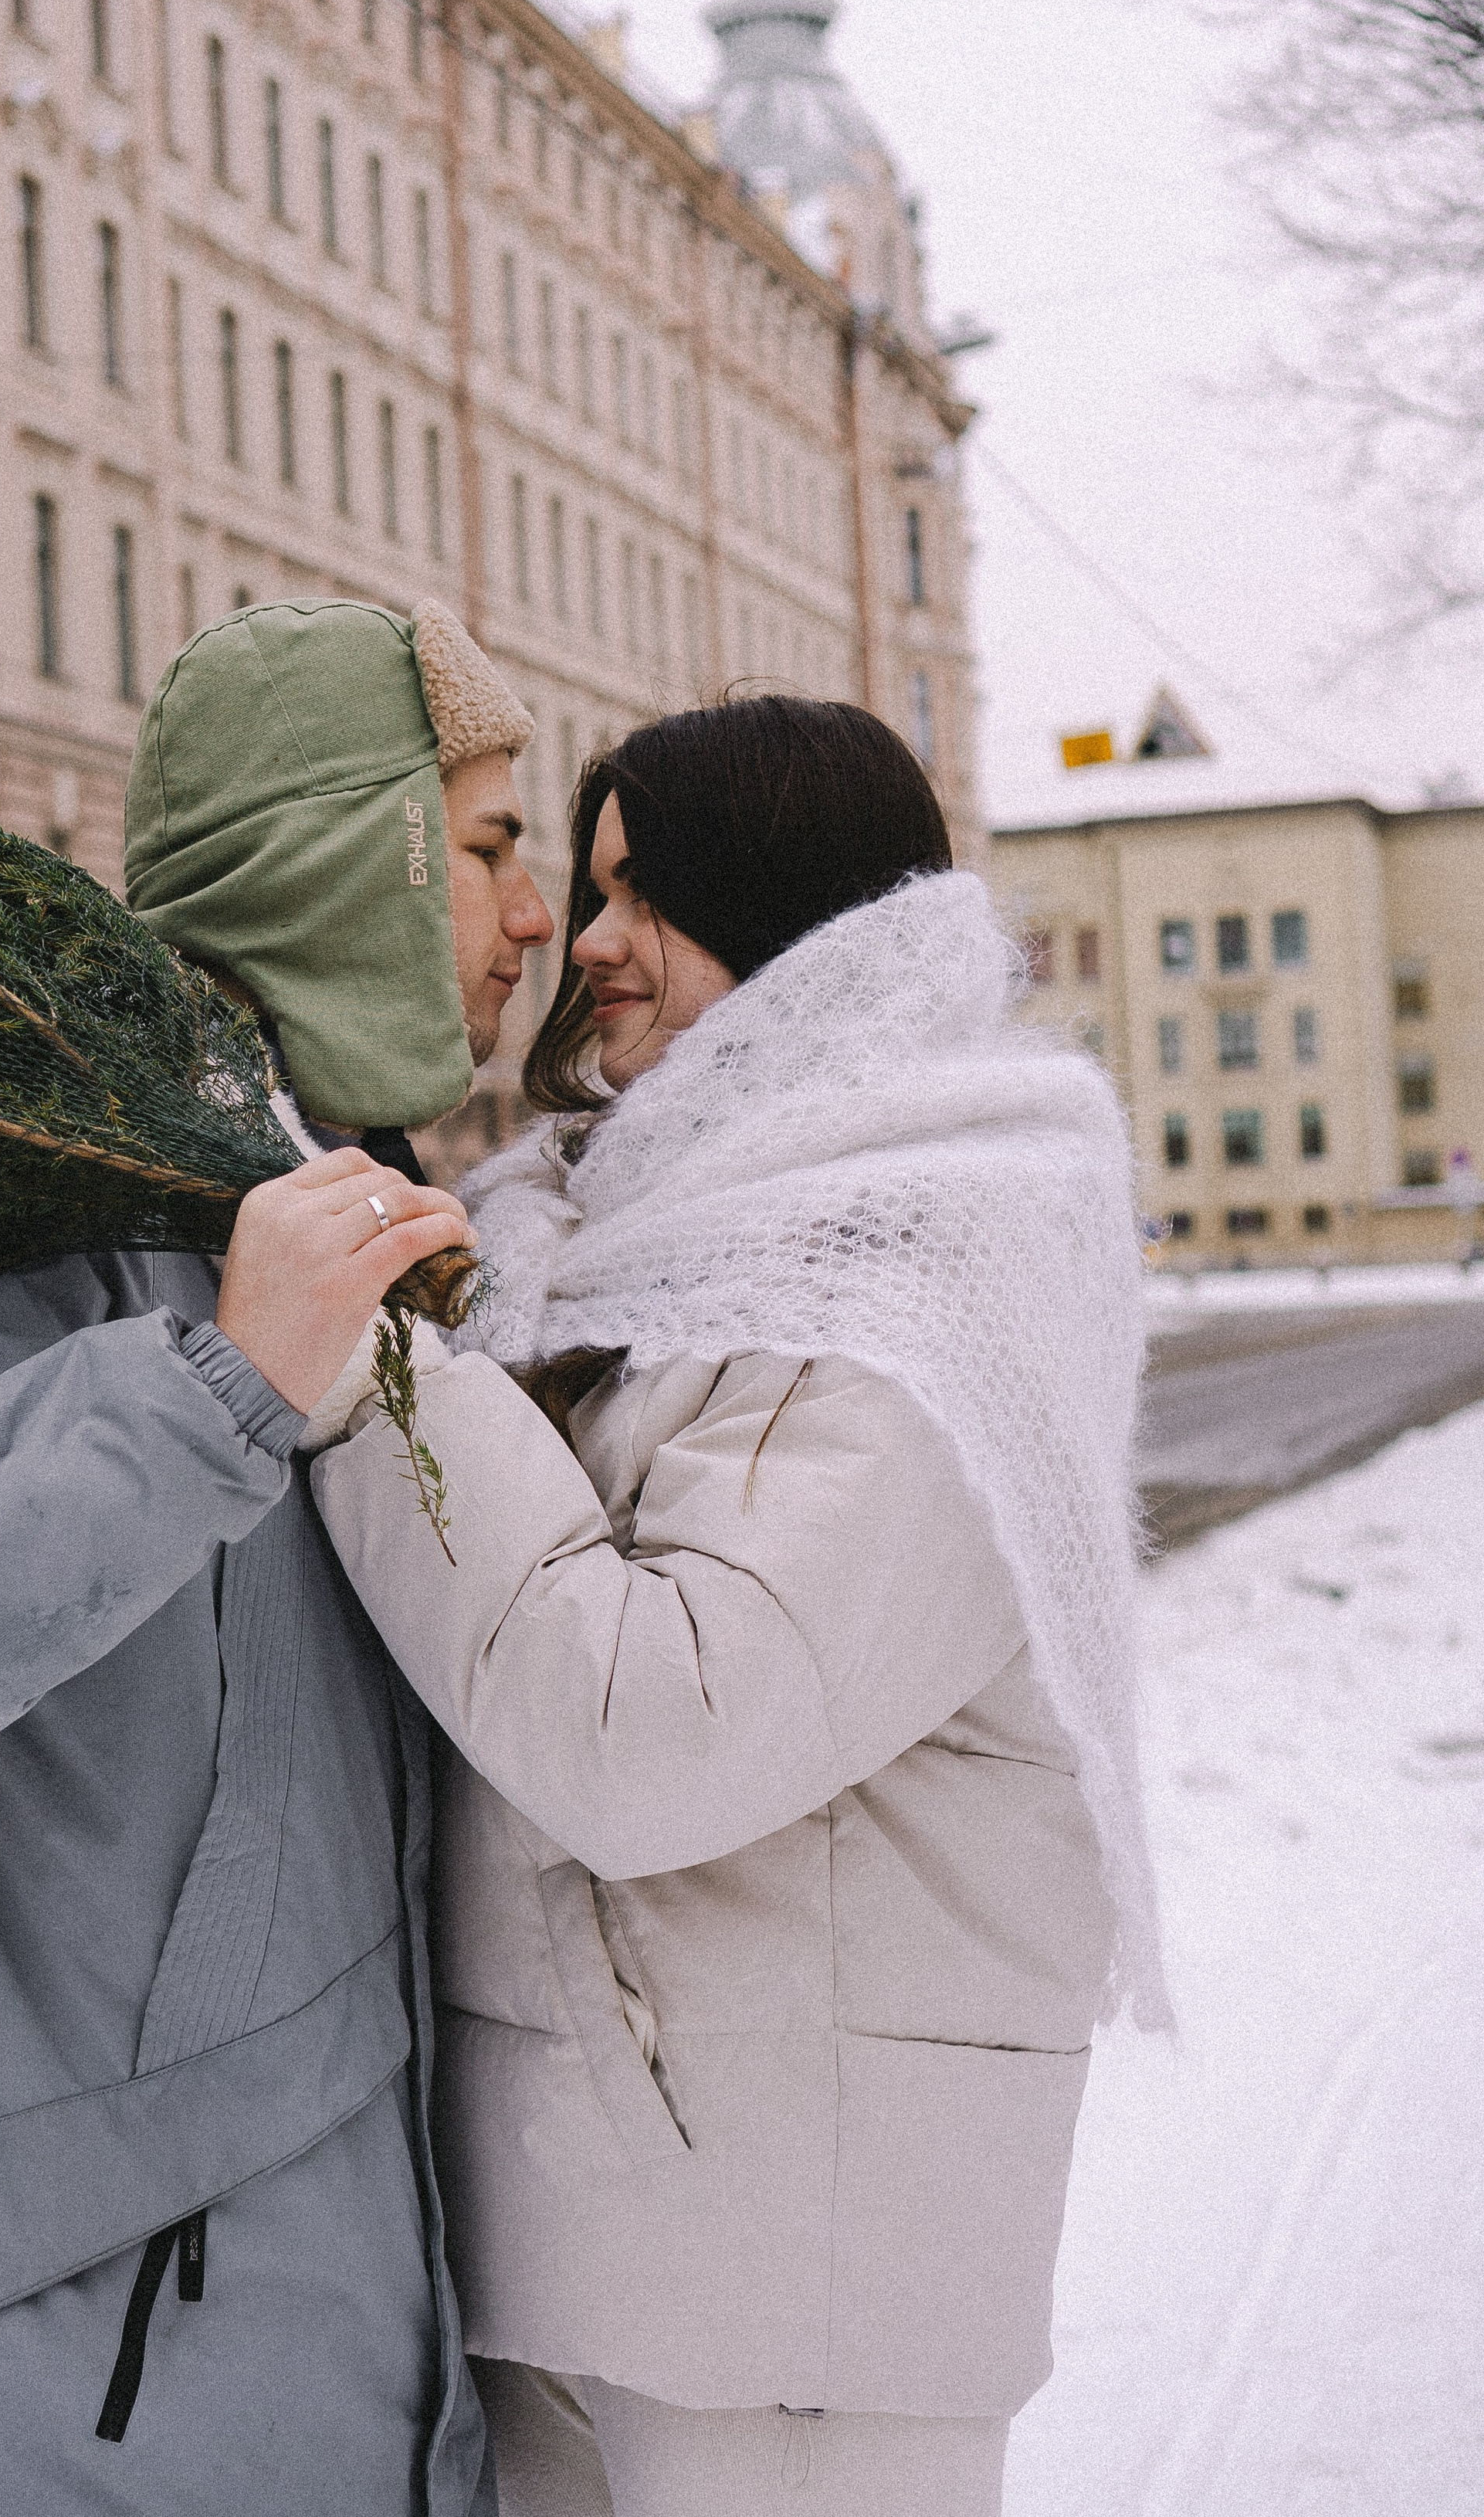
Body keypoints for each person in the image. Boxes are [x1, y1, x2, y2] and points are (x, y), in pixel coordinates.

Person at [0, 597, 553, 2516]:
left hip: (275, 2353)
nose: (533, 923)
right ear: (346, 855)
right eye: (489, 848)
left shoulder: (347, 1210)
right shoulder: (15, 1187)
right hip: (46, 2391)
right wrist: (214, 1390)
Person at [307, 695, 1166, 2517]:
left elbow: (655, 1736)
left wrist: (363, 1368)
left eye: (649, 895)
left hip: (799, 2281)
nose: (584, 939)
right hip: (600, 2213)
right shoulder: (613, 1234)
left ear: (797, 920)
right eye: (585, 882)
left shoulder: (931, 1263)